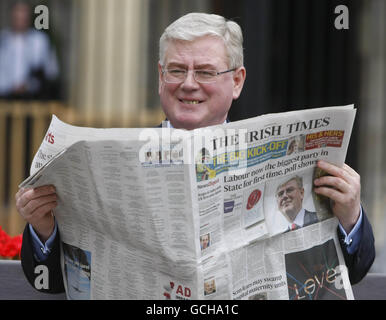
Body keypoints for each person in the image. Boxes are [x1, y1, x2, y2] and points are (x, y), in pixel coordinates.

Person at [16, 12, 374, 295]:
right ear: (160, 76)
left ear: (237, 81)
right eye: (176, 70)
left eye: (204, 71)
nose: (188, 84)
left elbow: (354, 271)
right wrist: (44, 231)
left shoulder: (284, 161)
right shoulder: (106, 161)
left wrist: (350, 216)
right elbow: (50, 284)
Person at [0, 1, 59, 99]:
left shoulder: (40, 41)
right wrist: (11, 87)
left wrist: (31, 83)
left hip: (33, 98)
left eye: (24, 14)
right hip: (5, 98)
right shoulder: (3, 39)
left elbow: (51, 71)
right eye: (17, 14)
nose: (21, 18)